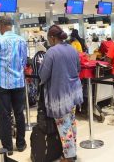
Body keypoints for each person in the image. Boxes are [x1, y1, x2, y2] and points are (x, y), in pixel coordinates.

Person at [39, 25, 83, 162]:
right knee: (71, 123)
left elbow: (43, 75)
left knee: (64, 125)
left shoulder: (51, 52)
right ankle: (72, 151)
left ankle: (69, 157)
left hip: (60, 95)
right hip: (73, 92)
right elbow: (78, 68)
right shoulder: (72, 49)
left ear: (52, 38)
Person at [0, 16, 27, 155]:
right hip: (19, 83)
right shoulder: (21, 40)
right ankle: (21, 144)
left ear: (1, 25)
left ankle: (8, 148)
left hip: (3, 84)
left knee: (4, 115)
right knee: (19, 113)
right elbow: (24, 62)